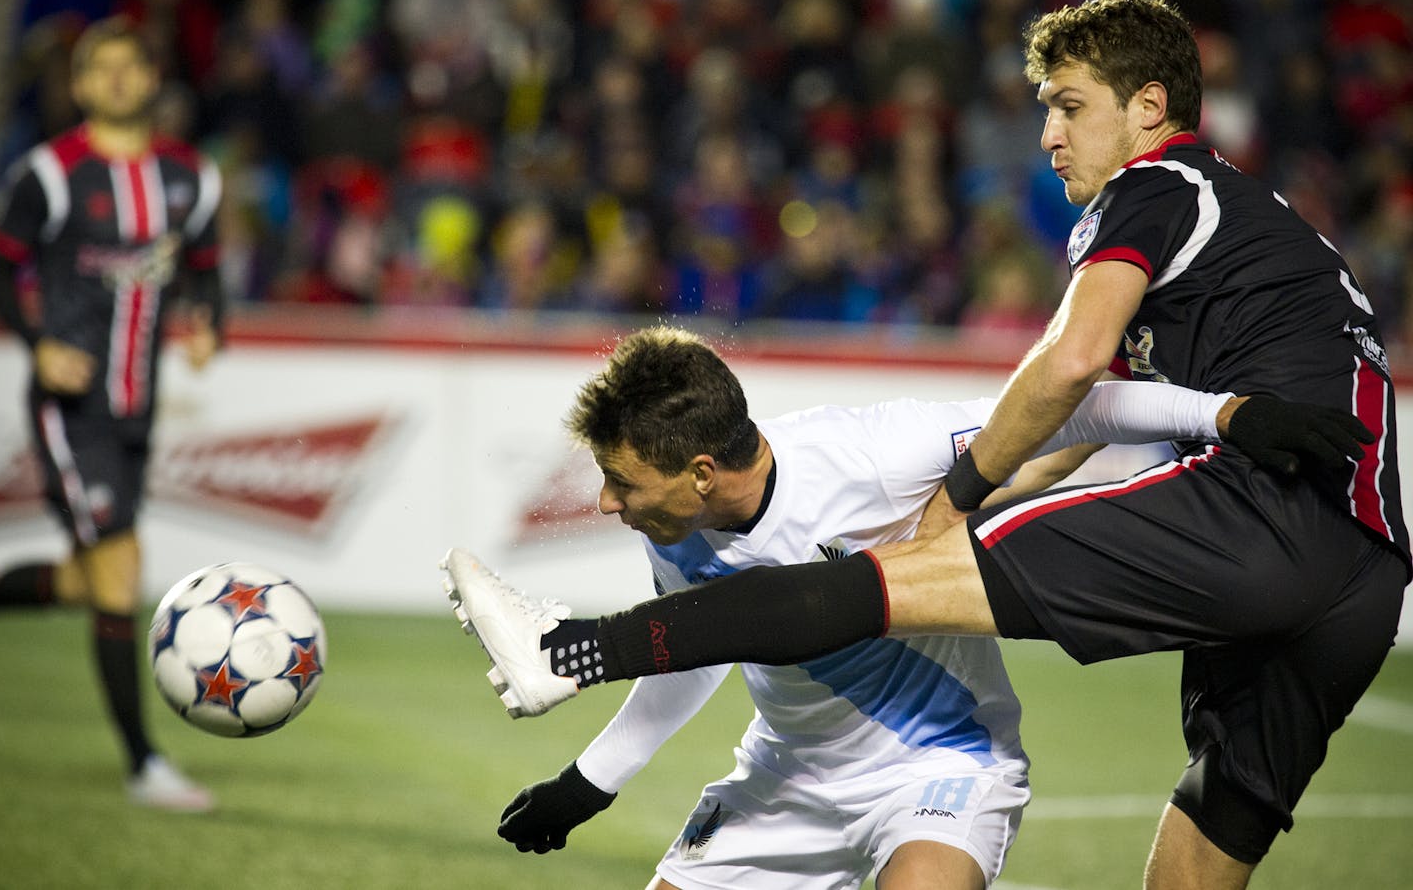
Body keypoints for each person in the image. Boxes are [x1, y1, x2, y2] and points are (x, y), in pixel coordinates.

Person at [443, 0, 1406, 890]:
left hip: (1254, 514)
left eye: (1069, 106)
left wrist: (961, 496)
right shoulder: (1262, 230)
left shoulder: (1155, 184)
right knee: (1216, 826)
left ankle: (565, 650)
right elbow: (1099, 406)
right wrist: (1222, 412)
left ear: (1150, 108)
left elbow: (1071, 366)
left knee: (878, 584)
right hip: (1363, 566)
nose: (1049, 135)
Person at [445, 324, 1286, 889]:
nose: (604, 503)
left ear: (702, 470)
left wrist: (1224, 415)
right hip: (782, 778)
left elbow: (1081, 405)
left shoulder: (873, 452)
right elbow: (691, 644)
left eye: (620, 482)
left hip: (940, 766)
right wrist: (592, 781)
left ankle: (562, 651)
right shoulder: (669, 521)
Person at [0, 16, 223, 811]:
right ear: (82, 85)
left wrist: (206, 325)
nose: (120, 78)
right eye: (104, 68)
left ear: (153, 79)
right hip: (71, 405)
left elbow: (207, 271)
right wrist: (36, 341)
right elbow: (0, 267)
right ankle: (144, 765)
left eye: (134, 65)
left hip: (137, 408)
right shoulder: (49, 174)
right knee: (121, 570)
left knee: (94, 581)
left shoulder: (192, 178)